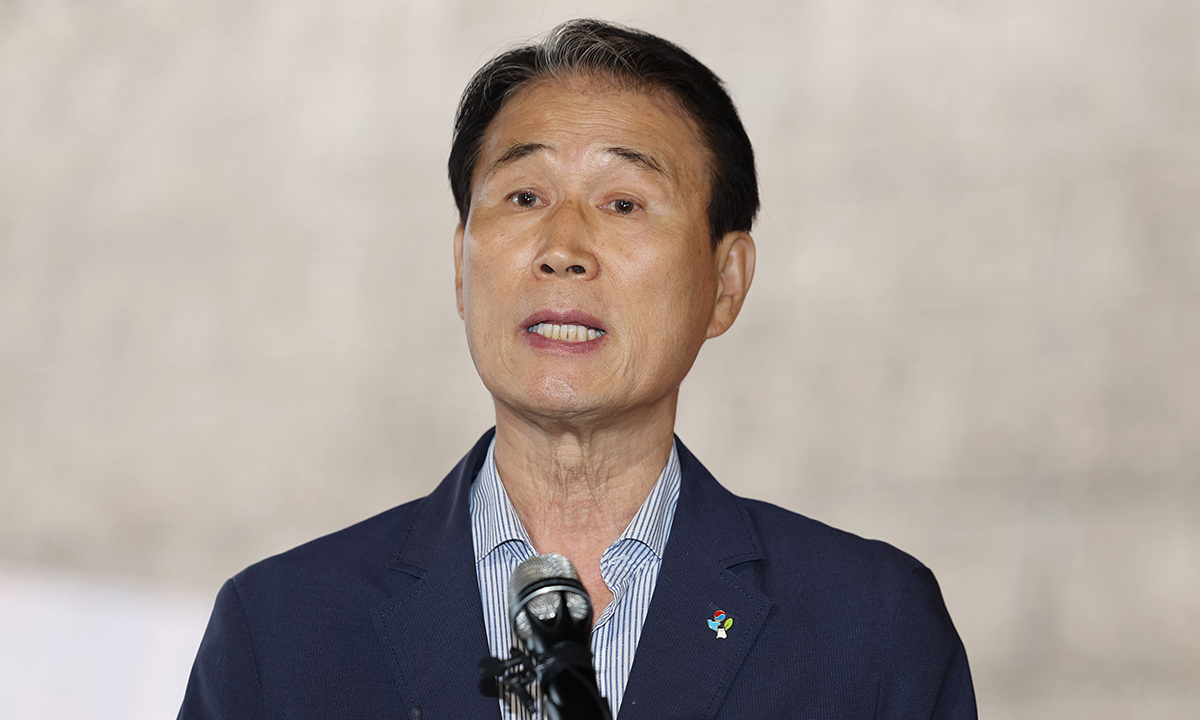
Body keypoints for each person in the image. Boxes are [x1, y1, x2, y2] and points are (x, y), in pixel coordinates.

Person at [179, 19, 976, 720]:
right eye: (524, 197)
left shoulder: (867, 625)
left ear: (725, 282)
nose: (562, 248)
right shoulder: (281, 629)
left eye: (623, 204)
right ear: (460, 265)